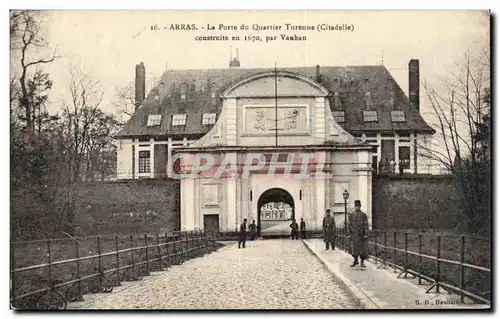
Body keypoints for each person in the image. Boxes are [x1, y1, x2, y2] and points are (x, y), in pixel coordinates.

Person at [348, 200, 369, 267]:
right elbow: (349, 225)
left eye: (358, 206)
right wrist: (349, 233)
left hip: (361, 235)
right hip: (354, 235)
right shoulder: (351, 215)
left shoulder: (363, 215)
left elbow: (366, 225)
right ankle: (355, 260)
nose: (357, 207)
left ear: (360, 206)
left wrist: (366, 233)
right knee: (354, 249)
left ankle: (362, 262)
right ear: (354, 206)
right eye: (356, 206)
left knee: (362, 249)